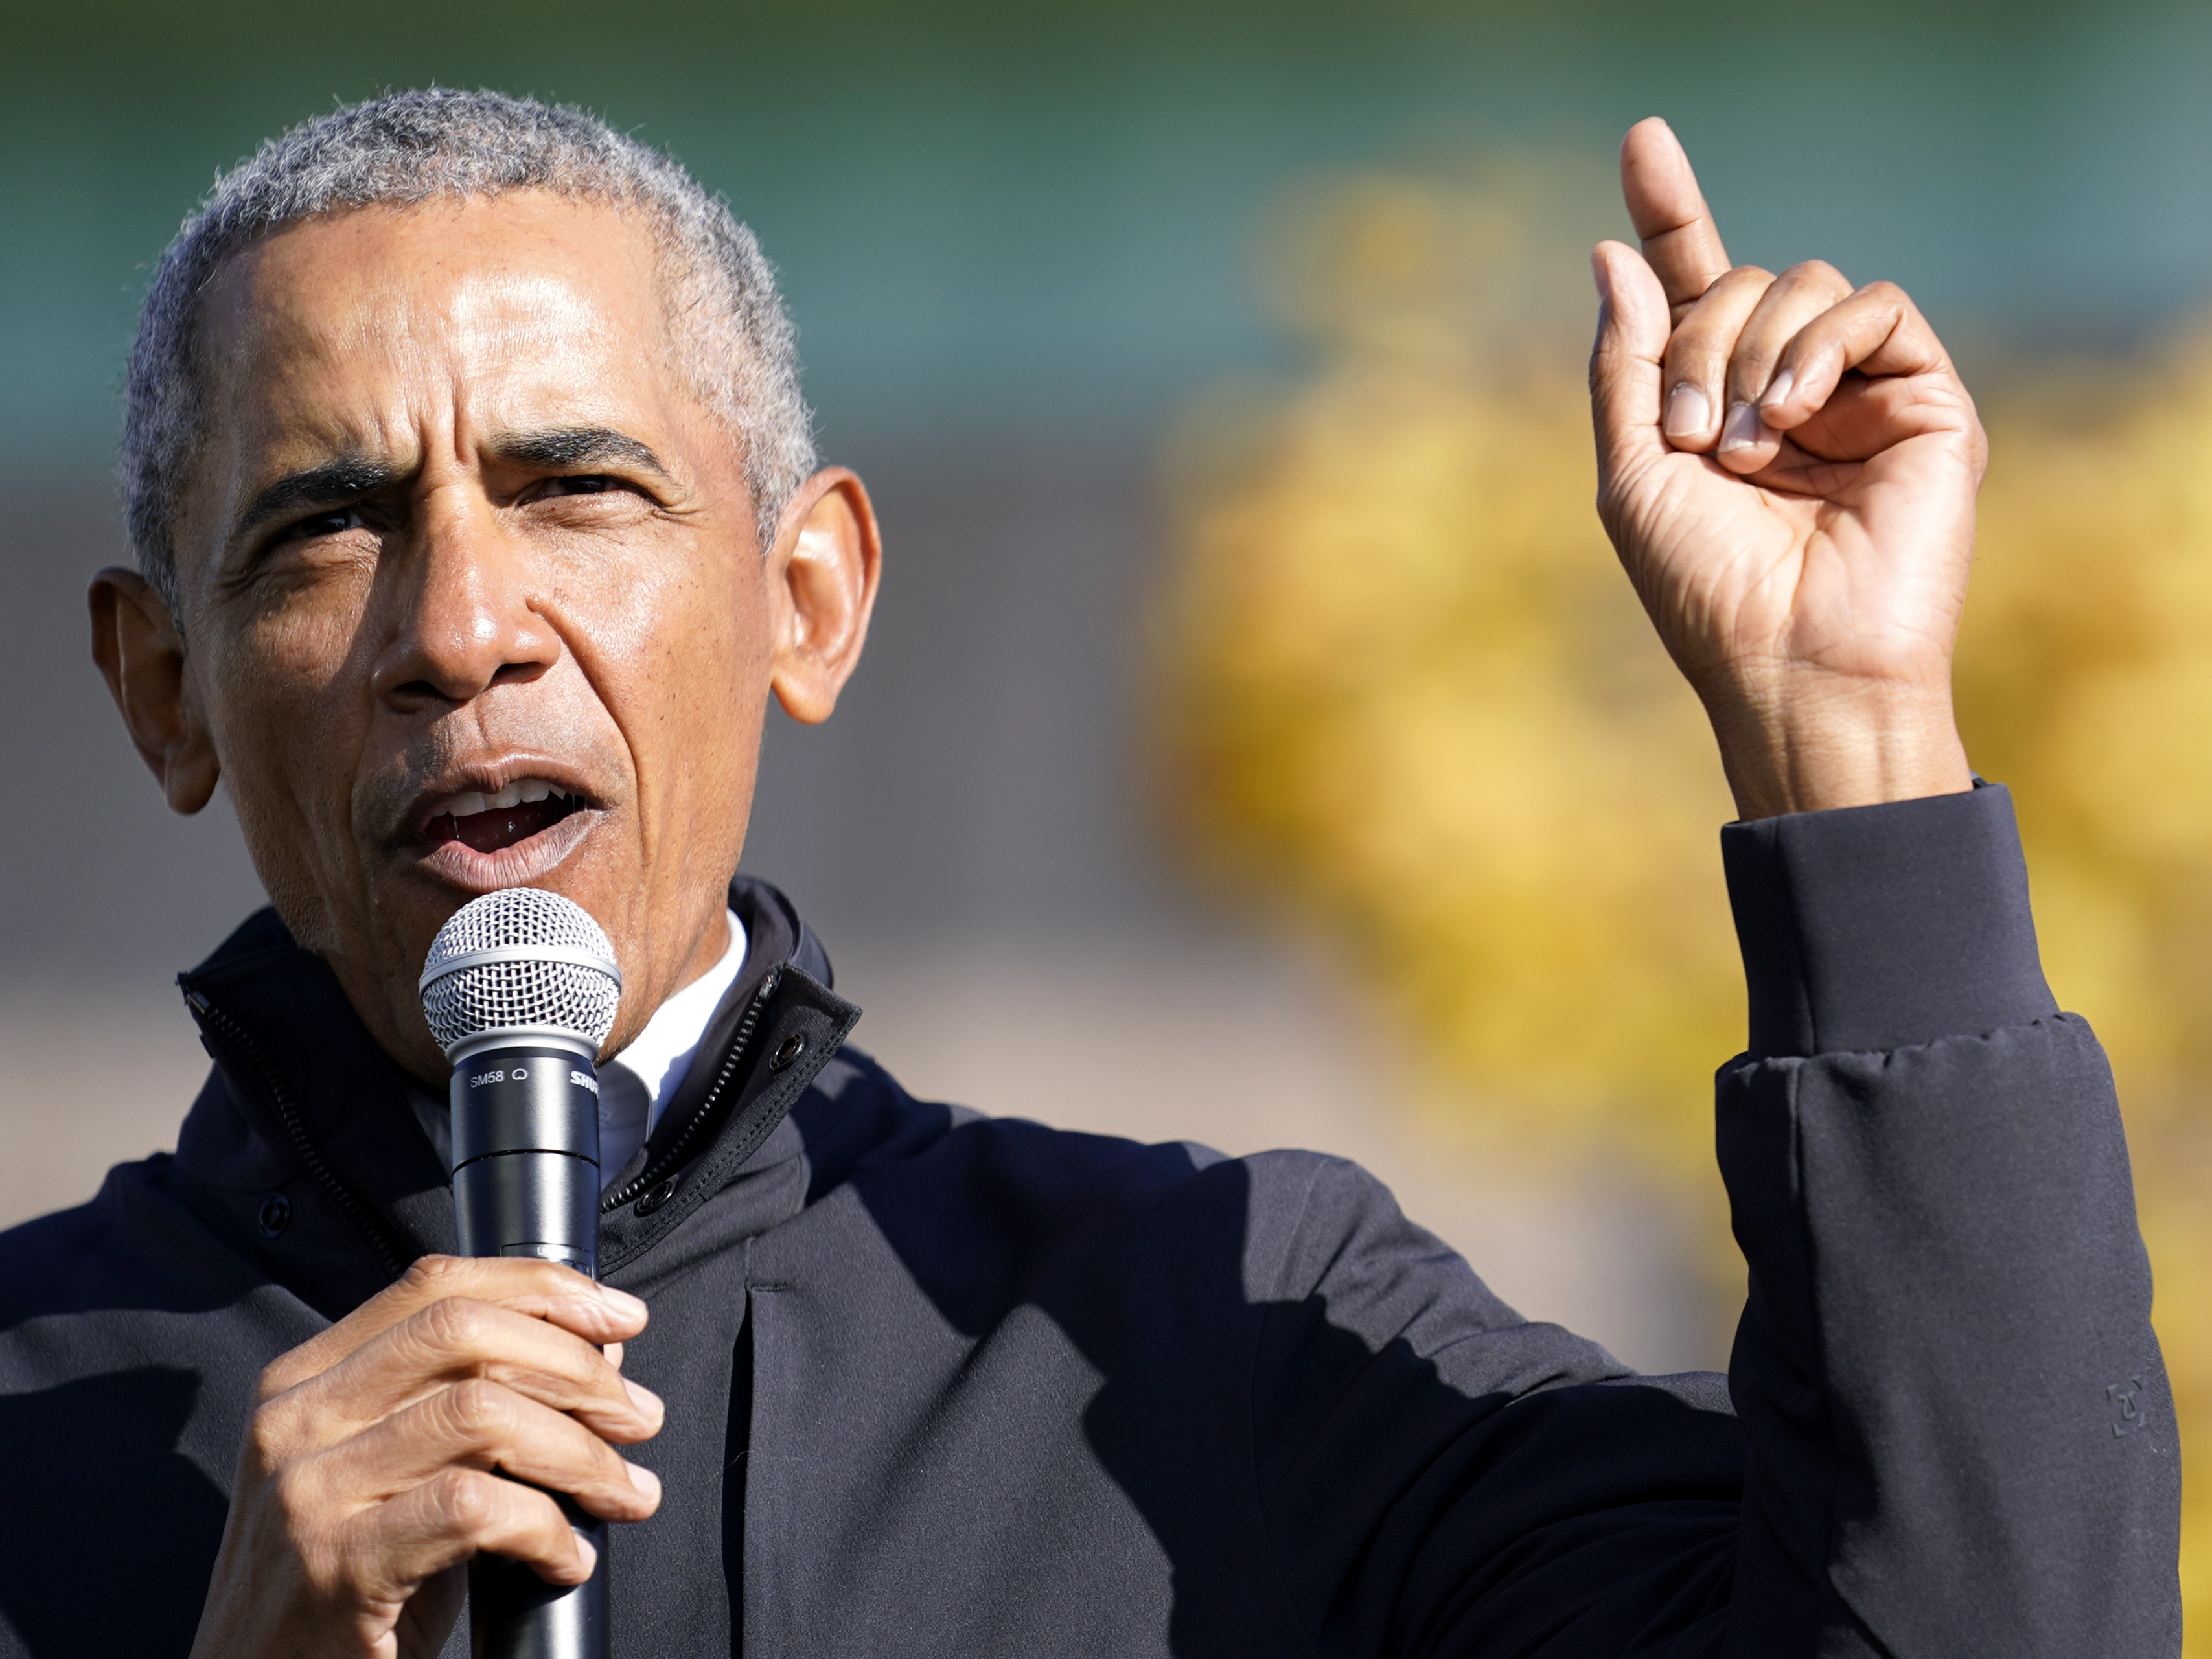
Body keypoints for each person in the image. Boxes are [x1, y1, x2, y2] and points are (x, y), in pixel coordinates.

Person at [0, 90, 2175, 1658]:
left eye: (578, 488)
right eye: (328, 526)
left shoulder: (1229, 1333)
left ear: (812, 599)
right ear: (165, 686)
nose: (460, 625)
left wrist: (1848, 739)